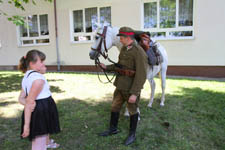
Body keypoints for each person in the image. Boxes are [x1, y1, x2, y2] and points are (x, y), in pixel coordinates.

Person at [98, 27, 148, 145]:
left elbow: (141, 75)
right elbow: (120, 66)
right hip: (120, 85)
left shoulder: (139, 52)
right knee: (115, 106)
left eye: (121, 37)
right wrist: (107, 67)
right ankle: (113, 129)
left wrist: (135, 93)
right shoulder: (125, 49)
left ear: (127, 38)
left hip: (130, 88)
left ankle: (132, 134)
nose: (119, 40)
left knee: (132, 110)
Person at [18, 49, 60, 150]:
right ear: (32, 64)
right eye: (41, 61)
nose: (44, 64)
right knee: (38, 142)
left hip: (42, 109)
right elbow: (29, 103)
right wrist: (26, 126)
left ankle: (47, 142)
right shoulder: (38, 81)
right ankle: (43, 144)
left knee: (44, 131)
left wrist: (29, 104)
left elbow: (21, 98)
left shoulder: (27, 76)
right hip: (41, 111)